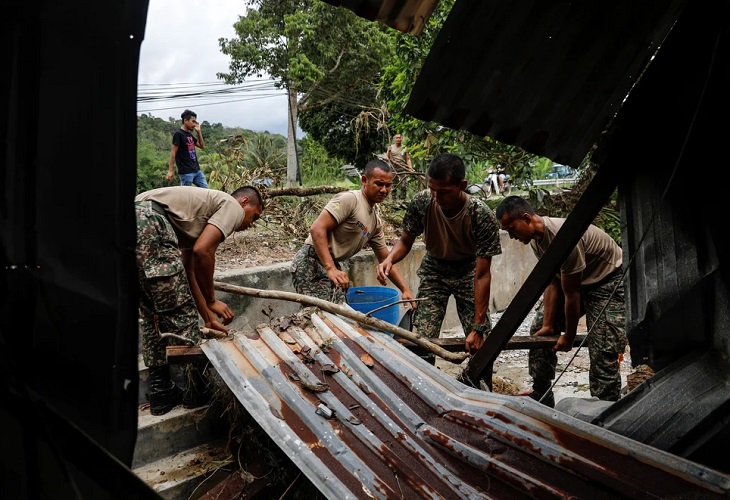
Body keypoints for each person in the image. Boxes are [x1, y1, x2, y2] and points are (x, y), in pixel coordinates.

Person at [135, 185, 264, 415]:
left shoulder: (191, 216)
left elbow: (188, 269)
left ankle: (161, 394)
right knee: (181, 315)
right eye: (254, 217)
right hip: (149, 221)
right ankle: (195, 393)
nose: (249, 225)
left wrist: (208, 318)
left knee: (152, 314)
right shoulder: (232, 205)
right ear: (244, 201)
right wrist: (212, 300)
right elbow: (203, 252)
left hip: (131, 220)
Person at [495, 195, 627, 408]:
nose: (511, 236)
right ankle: (542, 392)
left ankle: (606, 407)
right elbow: (552, 283)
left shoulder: (561, 237)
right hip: (580, 281)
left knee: (603, 347)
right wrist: (548, 325)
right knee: (538, 327)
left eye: (511, 229)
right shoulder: (536, 240)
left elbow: (572, 294)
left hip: (608, 281)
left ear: (527, 218)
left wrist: (569, 336)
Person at [376, 153, 502, 357]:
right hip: (434, 269)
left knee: (481, 340)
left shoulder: (480, 215)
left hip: (469, 270)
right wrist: (389, 259)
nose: (437, 197)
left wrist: (478, 327)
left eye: (444, 192)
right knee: (423, 341)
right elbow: (406, 241)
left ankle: (479, 383)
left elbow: (482, 274)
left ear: (462, 185)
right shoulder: (422, 202)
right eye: (432, 189)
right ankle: (424, 385)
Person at [291, 159, 415, 308]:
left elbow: (385, 259)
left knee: (337, 316)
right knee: (318, 316)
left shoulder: (375, 222)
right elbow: (317, 229)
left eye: (388, 185)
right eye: (379, 184)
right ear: (364, 180)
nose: (384, 190)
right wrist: (330, 268)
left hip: (332, 265)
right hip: (311, 261)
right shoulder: (350, 200)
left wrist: (405, 289)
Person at [166, 109, 209, 188]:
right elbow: (173, 153)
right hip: (186, 172)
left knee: (207, 192)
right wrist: (170, 170)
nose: (194, 124)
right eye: (193, 121)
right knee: (186, 196)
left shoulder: (189, 134)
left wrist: (199, 132)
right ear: (185, 120)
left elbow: (202, 146)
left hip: (197, 170)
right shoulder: (178, 134)